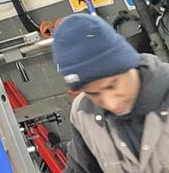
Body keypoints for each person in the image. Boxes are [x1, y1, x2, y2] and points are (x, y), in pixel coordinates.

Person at [53, 11, 169, 171]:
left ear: (129, 65)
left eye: (112, 85)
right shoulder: (83, 113)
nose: (110, 103)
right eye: (93, 94)